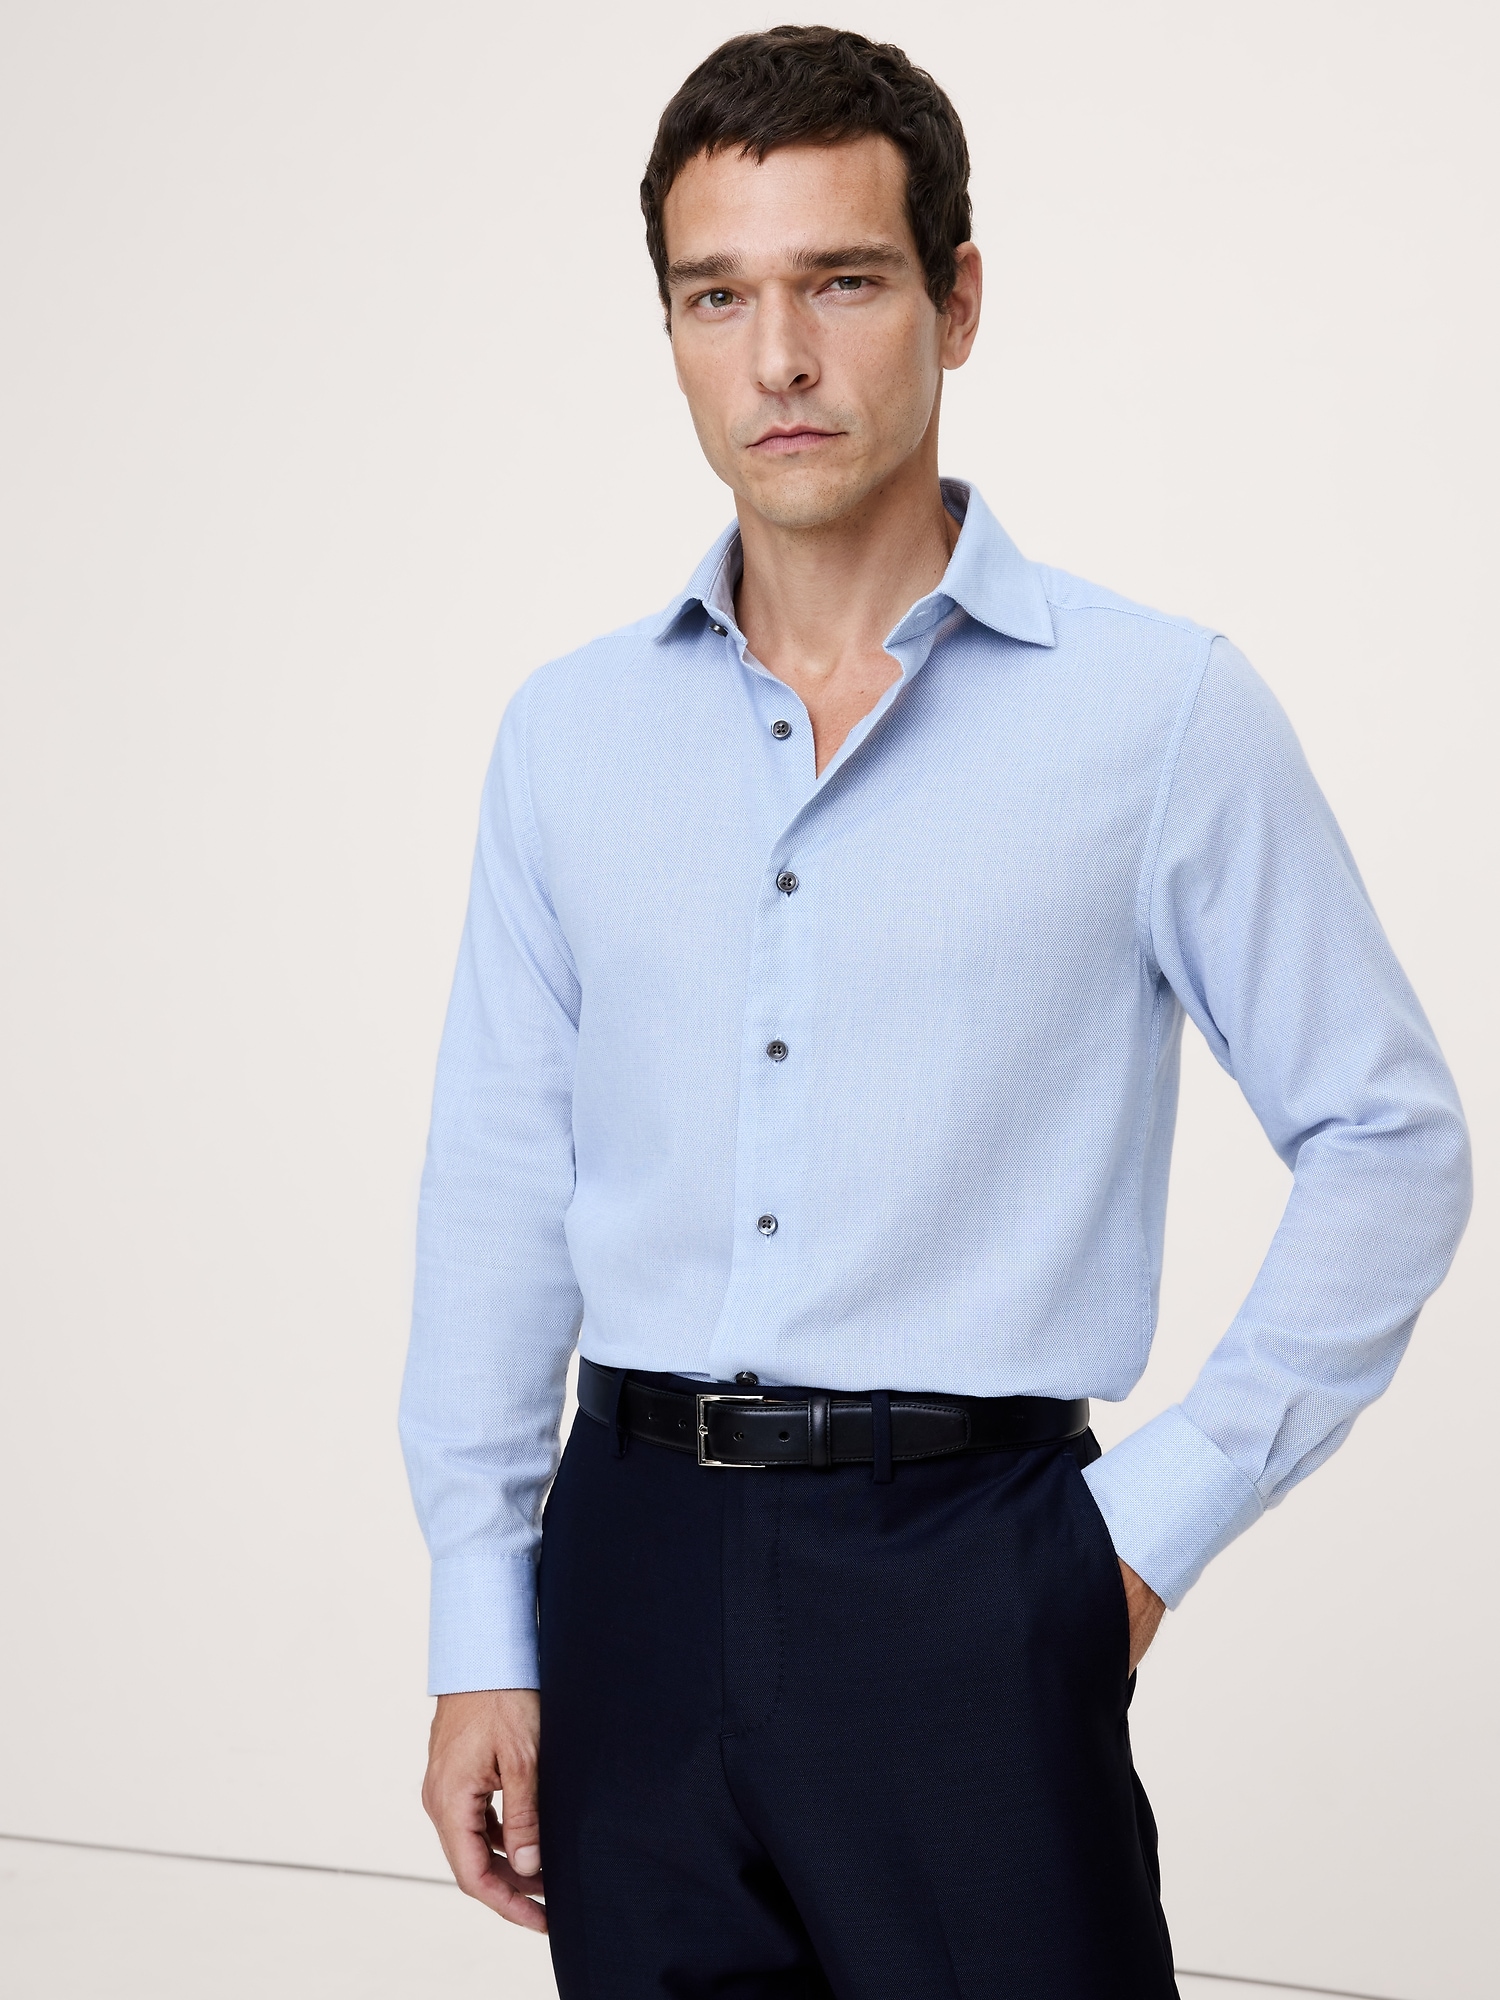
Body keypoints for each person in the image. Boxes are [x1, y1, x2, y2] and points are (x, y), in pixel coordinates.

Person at [398, 25, 1471, 1998]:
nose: (779, 359)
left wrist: (1137, 1537)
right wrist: (485, 1613)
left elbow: (1388, 1139)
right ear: (671, 328)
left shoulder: (1158, 713)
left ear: (957, 302)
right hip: (626, 1566)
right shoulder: (568, 735)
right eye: (717, 296)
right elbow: (497, 1177)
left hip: (969, 1564)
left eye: (843, 281)